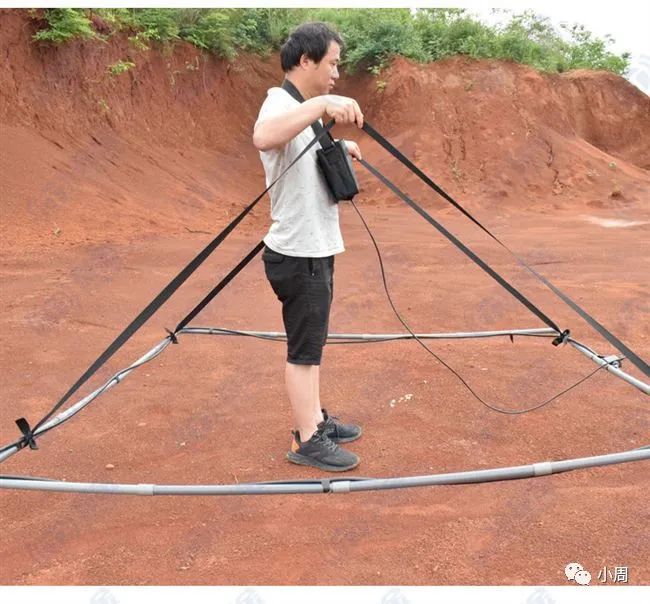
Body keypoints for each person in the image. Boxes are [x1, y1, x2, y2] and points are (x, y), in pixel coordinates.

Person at [252, 22, 365, 472]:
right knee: (304, 352)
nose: (336, 73)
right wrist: (321, 105)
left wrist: (342, 143)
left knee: (312, 346)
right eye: (332, 63)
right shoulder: (281, 103)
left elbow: (299, 153)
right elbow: (264, 137)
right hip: (298, 252)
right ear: (306, 60)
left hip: (313, 248)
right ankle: (305, 440)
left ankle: (314, 419)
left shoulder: (301, 110)